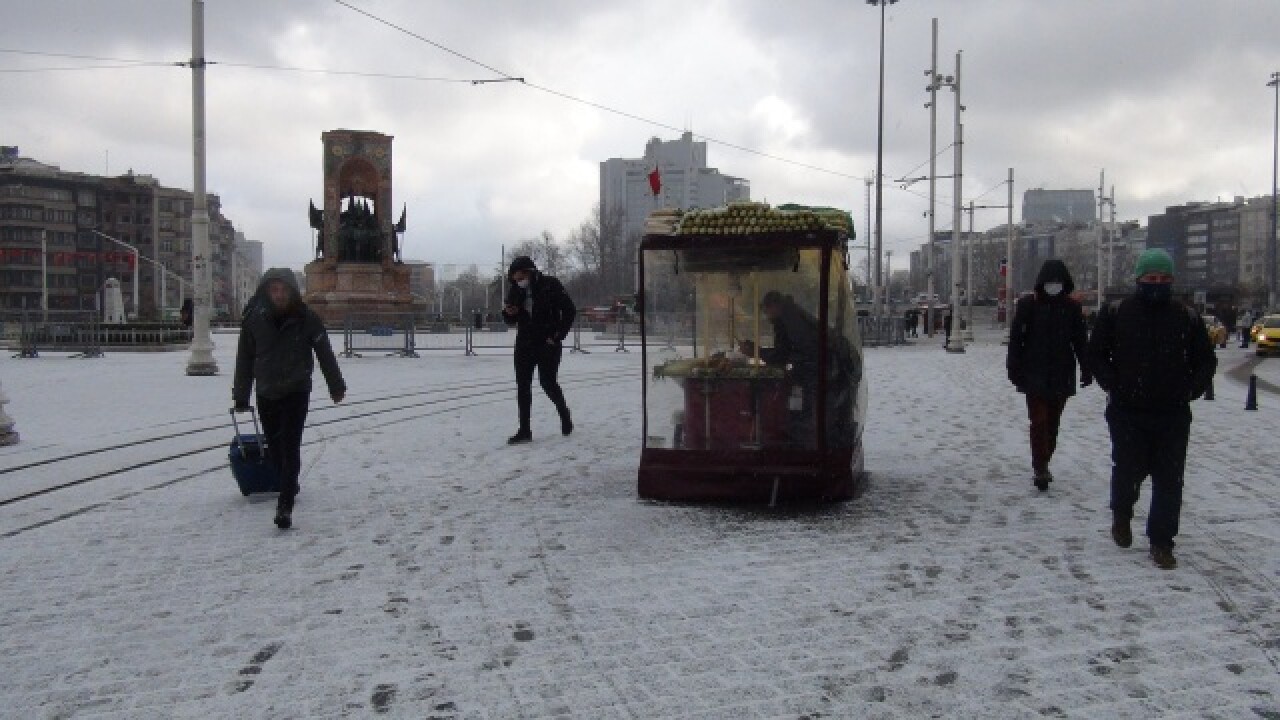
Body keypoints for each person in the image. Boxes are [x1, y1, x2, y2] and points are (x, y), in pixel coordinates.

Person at [1087, 249, 1216, 570]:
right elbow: (1096, 354)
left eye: (1163, 279)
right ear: (1139, 280)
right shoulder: (1118, 313)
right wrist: (1112, 384)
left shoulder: (1186, 316)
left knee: (1169, 479)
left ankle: (1161, 541)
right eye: (1150, 279)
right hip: (1128, 410)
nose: (1157, 284)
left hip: (1172, 412)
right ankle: (1122, 512)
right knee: (1129, 468)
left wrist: (1191, 389)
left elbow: (1206, 360)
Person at [232, 268, 346, 530]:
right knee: (275, 448)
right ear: (266, 292)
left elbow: (325, 353)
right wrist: (241, 395)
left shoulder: (307, 319)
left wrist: (335, 386)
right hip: (266, 391)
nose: (279, 295)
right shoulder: (254, 319)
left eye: (283, 290)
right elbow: (244, 359)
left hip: (296, 390)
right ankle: (289, 481)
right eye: (274, 290)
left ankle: (285, 506)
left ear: (292, 292)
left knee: (290, 445)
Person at [1006, 259, 1092, 491]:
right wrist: (1013, 367)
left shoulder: (1072, 308)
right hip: (1034, 372)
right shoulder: (1028, 306)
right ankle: (1040, 466)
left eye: (1057, 282)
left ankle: (1044, 459)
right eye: (1050, 282)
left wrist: (1087, 367)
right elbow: (1017, 339)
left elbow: (1080, 341)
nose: (1053, 286)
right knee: (1039, 421)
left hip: (1061, 372)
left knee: (1052, 423)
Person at [503, 256, 576, 444]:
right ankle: (525, 430)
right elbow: (511, 319)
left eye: (520, 278)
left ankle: (564, 414)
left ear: (530, 272)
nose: (518, 282)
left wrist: (558, 335)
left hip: (547, 342)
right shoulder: (515, 290)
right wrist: (509, 313)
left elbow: (569, 310)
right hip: (524, 343)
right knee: (523, 386)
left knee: (548, 382)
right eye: (515, 279)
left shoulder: (550, 285)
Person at [738, 292, 824, 446]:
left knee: (808, 412)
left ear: (774, 306)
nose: (767, 316)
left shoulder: (788, 320)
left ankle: (801, 443)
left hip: (816, 371)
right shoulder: (792, 315)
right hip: (815, 368)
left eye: (766, 311)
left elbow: (782, 355)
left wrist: (755, 351)